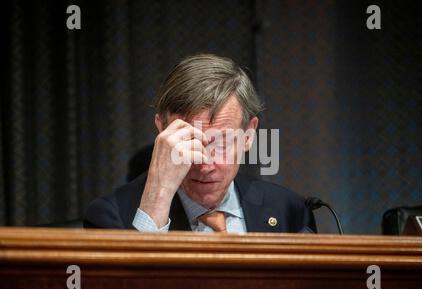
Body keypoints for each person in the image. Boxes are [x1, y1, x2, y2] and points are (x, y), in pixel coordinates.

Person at [84, 54, 316, 233]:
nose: (205, 165)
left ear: (248, 135)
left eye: (222, 142)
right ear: (161, 130)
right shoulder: (110, 214)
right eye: (190, 142)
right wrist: (158, 199)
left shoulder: (289, 209)